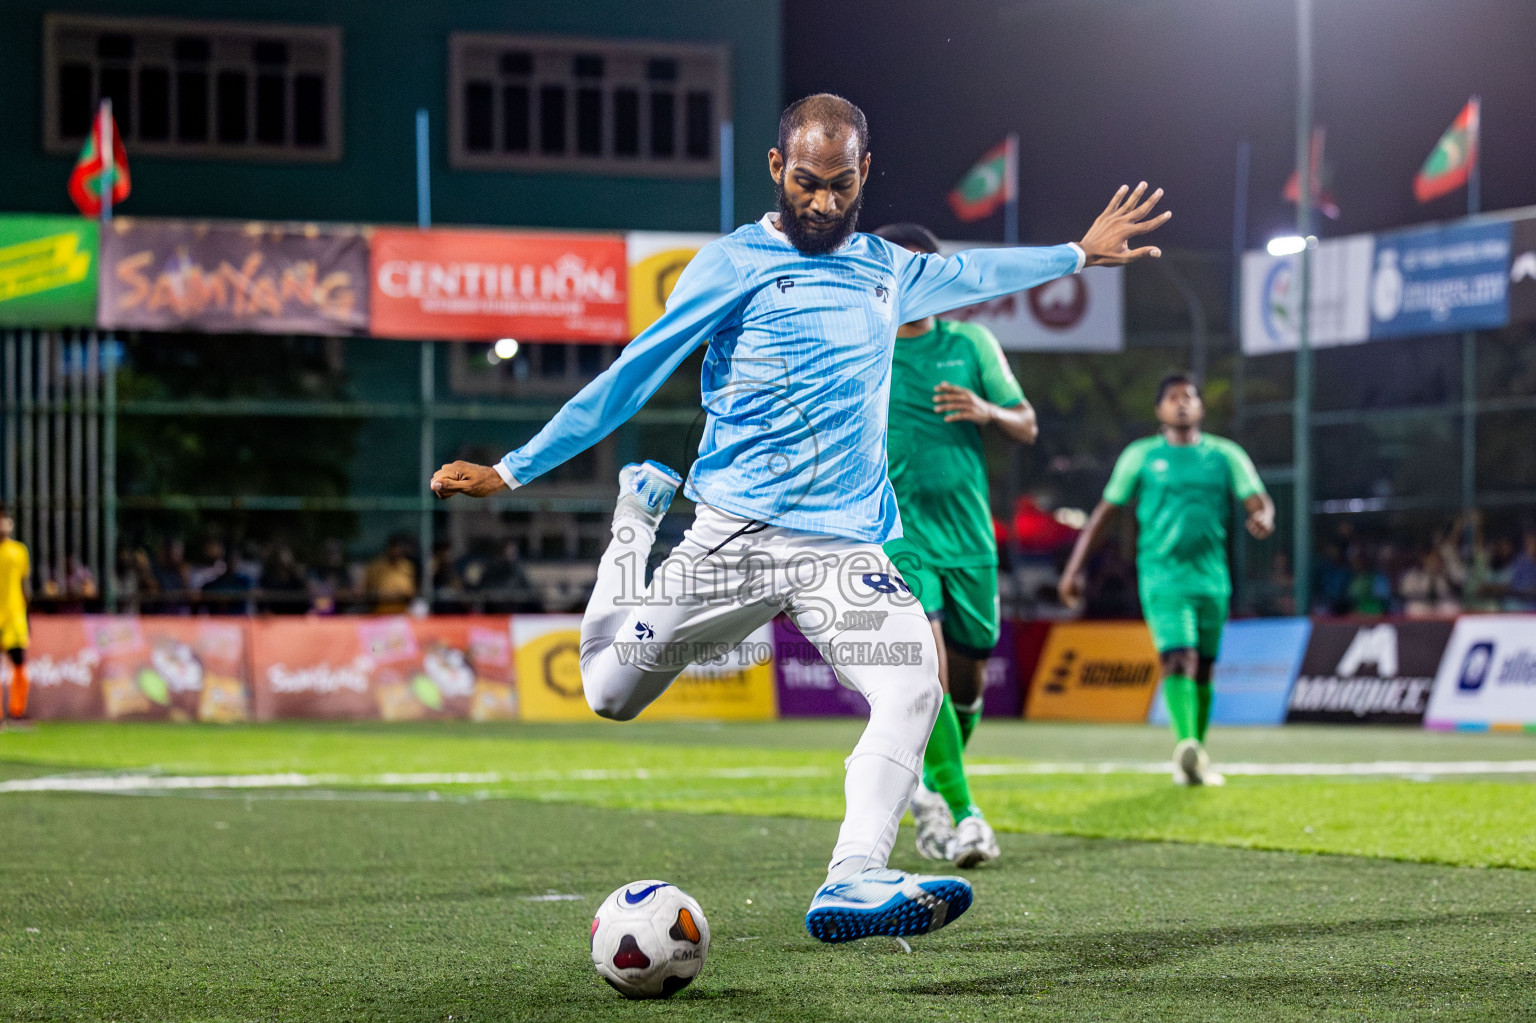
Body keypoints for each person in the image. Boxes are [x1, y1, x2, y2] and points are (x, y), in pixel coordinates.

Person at [432, 93, 1168, 943]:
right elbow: (632, 374)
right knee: (608, 694)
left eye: (842, 186)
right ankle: (635, 519)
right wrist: (514, 468)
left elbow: (979, 273)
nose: (824, 203)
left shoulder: (887, 268)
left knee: (913, 684)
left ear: (865, 176)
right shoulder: (731, 265)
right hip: (731, 538)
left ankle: (854, 875)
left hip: (842, 550)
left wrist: (1077, 252)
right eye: (809, 183)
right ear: (779, 170)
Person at [870, 221, 1039, 869]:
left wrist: (987, 411)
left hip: (969, 538)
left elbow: (1026, 424)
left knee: (966, 685)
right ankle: (968, 816)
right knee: (928, 677)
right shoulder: (867, 347)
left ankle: (930, 791)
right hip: (898, 536)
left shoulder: (972, 342)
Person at [1059, 373, 1272, 786]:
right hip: (1162, 575)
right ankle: (1186, 743)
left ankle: (1195, 757)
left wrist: (1263, 515)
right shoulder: (1141, 456)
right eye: (1173, 397)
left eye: (1189, 396)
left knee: (1205, 668)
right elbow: (1105, 514)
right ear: (1159, 410)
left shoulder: (1225, 455)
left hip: (1211, 578)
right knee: (1179, 657)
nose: (1181, 403)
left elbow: (1257, 498)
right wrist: (1074, 569)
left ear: (1200, 408)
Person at [0, 507, 31, 722]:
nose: (4, 526)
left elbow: (24, 582)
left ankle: (17, 711)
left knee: (19, 662)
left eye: (6, 522)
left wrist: (26, 614)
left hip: (15, 614)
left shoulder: (19, 550)